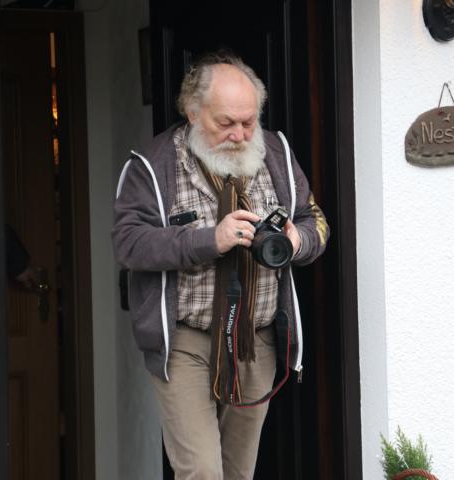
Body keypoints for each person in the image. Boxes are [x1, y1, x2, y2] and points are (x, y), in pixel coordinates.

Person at [112, 51, 329, 480]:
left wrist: (297, 240)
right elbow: (129, 243)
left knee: (238, 471)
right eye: (226, 122)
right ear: (193, 112)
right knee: (203, 472)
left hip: (256, 340)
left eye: (249, 121)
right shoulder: (152, 164)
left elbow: (315, 220)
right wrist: (210, 239)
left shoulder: (277, 153)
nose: (240, 134)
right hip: (186, 340)